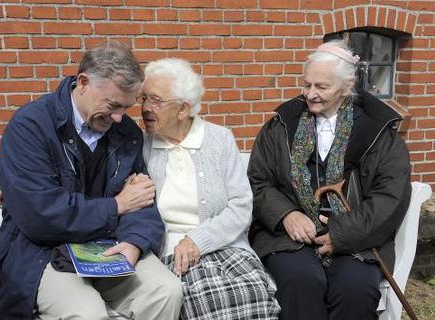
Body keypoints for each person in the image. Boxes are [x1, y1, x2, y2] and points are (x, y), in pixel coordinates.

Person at [0, 41, 182, 320]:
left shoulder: (125, 132)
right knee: (86, 312)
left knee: (166, 291)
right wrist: (116, 206)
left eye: (126, 107)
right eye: (113, 105)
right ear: (84, 82)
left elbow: (143, 200)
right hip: (42, 254)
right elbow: (41, 216)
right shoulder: (31, 126)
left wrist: (135, 243)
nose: (119, 117)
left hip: (108, 248)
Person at [248, 40, 411, 320]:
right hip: (289, 238)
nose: (310, 94)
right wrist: (286, 214)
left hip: (357, 237)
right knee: (301, 282)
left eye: (321, 87)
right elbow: (258, 181)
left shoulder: (379, 130)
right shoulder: (281, 124)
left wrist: (342, 233)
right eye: (307, 84)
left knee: (355, 289)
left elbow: (390, 196)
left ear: (347, 87)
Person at [140, 58, 280, 320]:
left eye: (156, 101)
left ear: (183, 109)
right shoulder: (142, 146)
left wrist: (198, 240)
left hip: (226, 244)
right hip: (171, 250)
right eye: (144, 99)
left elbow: (241, 206)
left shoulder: (219, 139)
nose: (146, 109)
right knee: (208, 301)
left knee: (253, 293)